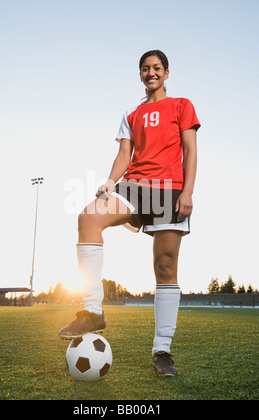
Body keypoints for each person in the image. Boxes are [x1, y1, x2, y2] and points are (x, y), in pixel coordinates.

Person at [58, 50, 201, 377]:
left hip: (170, 189)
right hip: (134, 185)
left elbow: (190, 149)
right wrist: (110, 182)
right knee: (88, 218)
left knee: (165, 267)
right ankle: (93, 310)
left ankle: (162, 350)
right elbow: (125, 152)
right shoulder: (131, 113)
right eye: (145, 69)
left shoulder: (182, 106)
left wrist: (188, 192)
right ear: (140, 75)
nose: (151, 73)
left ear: (166, 73)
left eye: (156, 68)